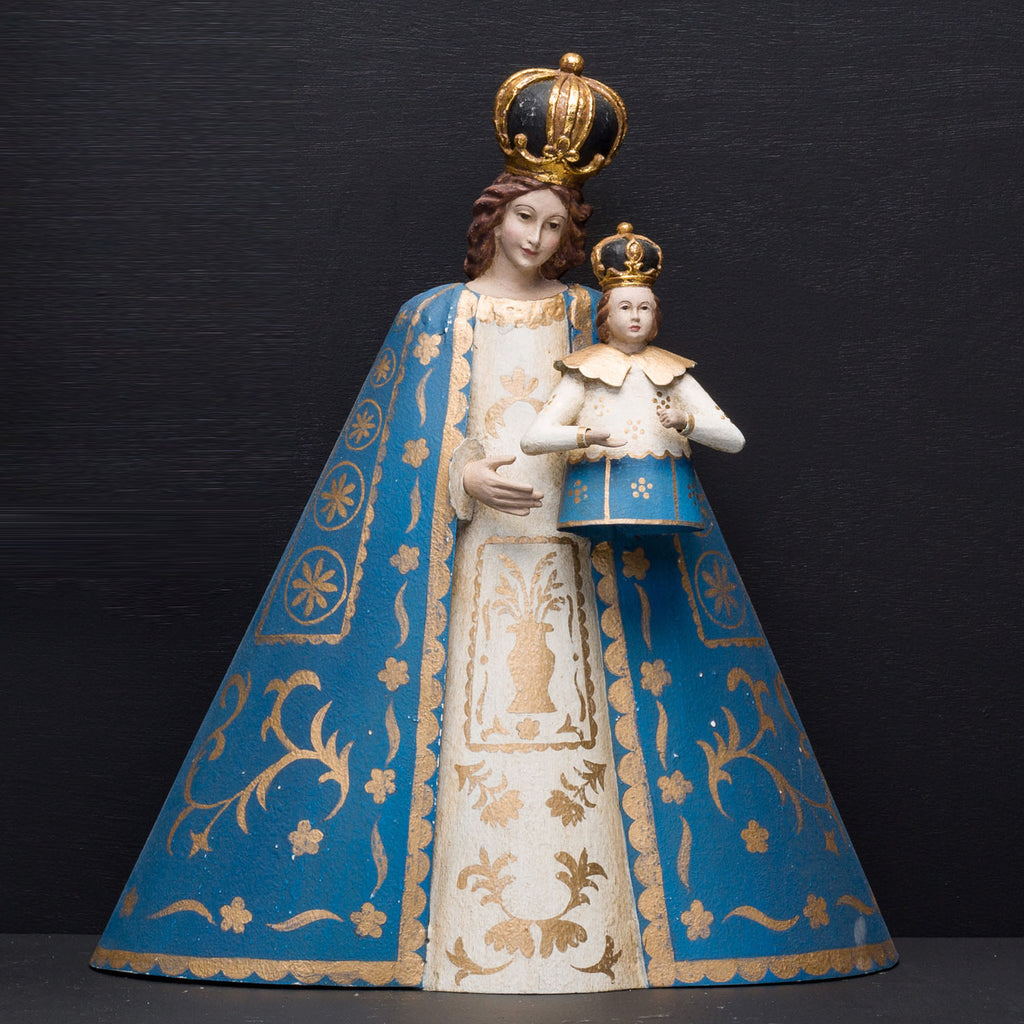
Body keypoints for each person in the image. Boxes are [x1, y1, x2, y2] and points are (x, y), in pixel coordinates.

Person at [92, 55, 895, 992]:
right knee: (463, 723)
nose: (537, 238)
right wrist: (463, 475)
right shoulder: (437, 317)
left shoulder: (591, 314)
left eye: (555, 225)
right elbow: (394, 446)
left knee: (596, 722)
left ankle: (616, 938)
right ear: (494, 217)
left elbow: (635, 401)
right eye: (525, 218)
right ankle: (442, 936)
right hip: (472, 564)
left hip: (580, 554)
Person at [521, 223, 744, 534]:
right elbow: (534, 439)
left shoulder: (672, 371)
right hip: (596, 497)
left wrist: (686, 421)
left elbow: (733, 439)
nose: (636, 316)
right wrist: (587, 435)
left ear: (655, 315)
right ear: (606, 314)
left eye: (644, 308)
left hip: (666, 499)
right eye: (625, 307)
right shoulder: (585, 370)